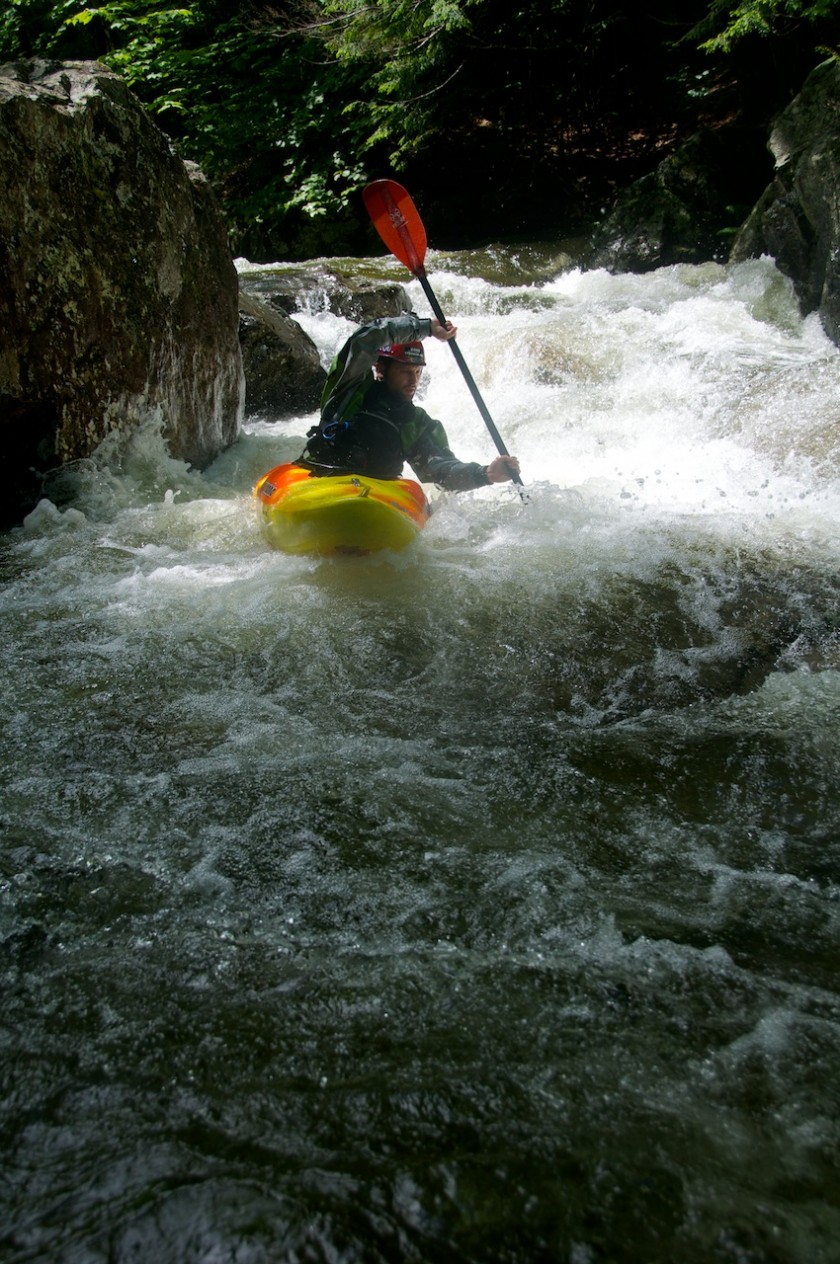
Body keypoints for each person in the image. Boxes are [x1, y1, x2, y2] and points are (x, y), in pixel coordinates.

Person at [301, 313, 520, 491]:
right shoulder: (349, 389)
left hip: (376, 490)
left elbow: (439, 467)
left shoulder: (416, 422)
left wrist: (486, 474)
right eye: (405, 371)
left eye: (417, 372)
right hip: (322, 474)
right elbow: (366, 340)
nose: (413, 380)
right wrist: (425, 328)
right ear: (381, 368)